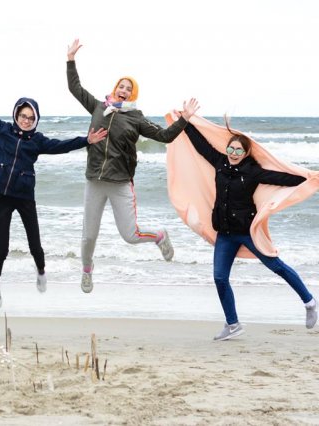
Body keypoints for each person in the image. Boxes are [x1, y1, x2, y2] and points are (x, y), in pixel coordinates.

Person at [0, 66, 108, 309]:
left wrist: (86, 141)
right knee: (2, 248)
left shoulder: (37, 141)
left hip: (25, 196)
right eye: (22, 116)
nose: (26, 121)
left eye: (30, 117)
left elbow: (62, 145)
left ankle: (41, 271)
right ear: (16, 115)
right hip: (3, 196)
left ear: (35, 119)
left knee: (35, 245)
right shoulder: (1, 130)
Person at [66, 39, 199, 293]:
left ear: (132, 94)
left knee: (130, 235)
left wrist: (184, 119)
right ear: (115, 89)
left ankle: (159, 235)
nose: (124, 90)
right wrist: (71, 59)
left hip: (120, 183)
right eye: (121, 86)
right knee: (88, 236)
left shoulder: (136, 118)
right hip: (95, 180)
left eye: (129, 88)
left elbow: (164, 136)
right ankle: (87, 270)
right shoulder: (98, 107)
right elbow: (75, 88)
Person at [183, 117, 317, 340]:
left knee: (277, 266)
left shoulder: (253, 172)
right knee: (220, 278)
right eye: (231, 148)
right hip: (225, 233)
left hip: (247, 233)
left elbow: (282, 178)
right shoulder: (219, 163)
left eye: (239, 150)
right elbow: (200, 145)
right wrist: (185, 122)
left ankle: (309, 302)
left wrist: (310, 179)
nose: (233, 153)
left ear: (245, 153)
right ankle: (233, 324)